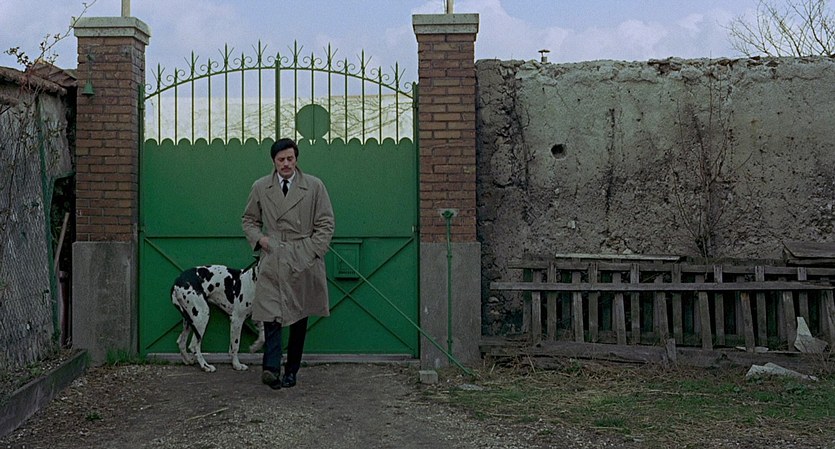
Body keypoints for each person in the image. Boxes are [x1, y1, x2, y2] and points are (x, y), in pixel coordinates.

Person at [242, 137, 334, 389]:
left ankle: (292, 370)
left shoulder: (314, 186)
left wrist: (311, 251)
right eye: (281, 159)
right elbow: (249, 220)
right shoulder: (261, 187)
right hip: (273, 256)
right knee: (270, 315)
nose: (286, 164)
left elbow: (326, 223)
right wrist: (260, 239)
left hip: (302, 257)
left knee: (299, 317)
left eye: (290, 158)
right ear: (273, 161)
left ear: (296, 159)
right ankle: (271, 369)